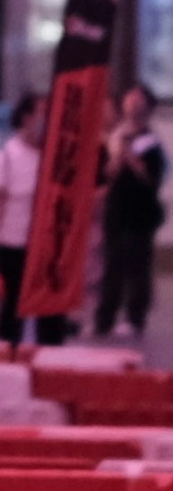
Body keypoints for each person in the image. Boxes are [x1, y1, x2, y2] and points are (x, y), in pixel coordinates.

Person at [95, 84, 166, 344]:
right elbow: (108, 174)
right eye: (129, 97)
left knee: (138, 265)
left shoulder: (151, 142)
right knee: (112, 264)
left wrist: (132, 158)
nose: (132, 103)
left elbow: (152, 178)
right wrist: (117, 160)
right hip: (116, 209)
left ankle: (135, 318)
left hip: (140, 212)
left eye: (138, 99)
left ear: (147, 106)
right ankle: (105, 318)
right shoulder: (116, 136)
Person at [0, 92, 44, 349]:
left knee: (42, 310)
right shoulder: (6, 157)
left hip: (42, 244)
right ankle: (6, 357)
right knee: (11, 308)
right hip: (11, 242)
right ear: (27, 117)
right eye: (42, 113)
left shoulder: (50, 157)